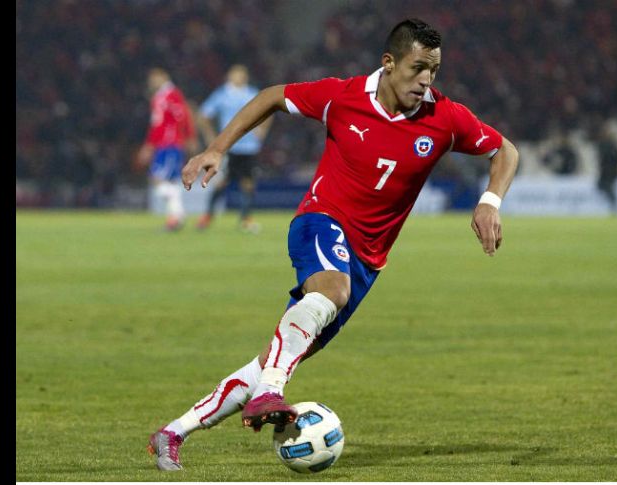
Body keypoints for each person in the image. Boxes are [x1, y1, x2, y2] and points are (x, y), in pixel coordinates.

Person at [147, 19, 519, 471]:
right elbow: (271, 97)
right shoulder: (342, 97)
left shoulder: (444, 118)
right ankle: (270, 393)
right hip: (320, 222)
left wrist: (489, 201)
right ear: (389, 63)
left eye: (434, 71)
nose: (426, 81)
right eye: (418, 67)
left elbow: (506, 151)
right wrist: (217, 149)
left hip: (366, 261)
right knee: (328, 295)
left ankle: (174, 432)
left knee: (276, 356)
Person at [195, 65, 272, 233]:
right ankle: (207, 216)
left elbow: (269, 110)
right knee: (221, 182)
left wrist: (262, 131)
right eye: (235, 74)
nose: (238, 77)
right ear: (229, 76)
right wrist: (211, 137)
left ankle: (245, 219)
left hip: (249, 147)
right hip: (229, 147)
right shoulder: (222, 95)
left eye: (241, 74)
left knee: (248, 184)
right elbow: (203, 115)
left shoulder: (252, 93)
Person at [135, 68, 198, 231]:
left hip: (169, 144)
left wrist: (189, 136)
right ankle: (176, 217)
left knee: (158, 179)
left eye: (154, 78)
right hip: (166, 144)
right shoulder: (162, 96)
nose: (152, 82)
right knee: (169, 181)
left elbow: (182, 116)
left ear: (163, 77)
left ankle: (177, 215)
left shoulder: (170, 95)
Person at [595, 122, 617, 214]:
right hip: (604, 171)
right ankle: (613, 204)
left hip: (611, 171)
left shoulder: (612, 145)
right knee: (602, 187)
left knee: (609, 188)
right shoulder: (602, 144)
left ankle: (614, 206)